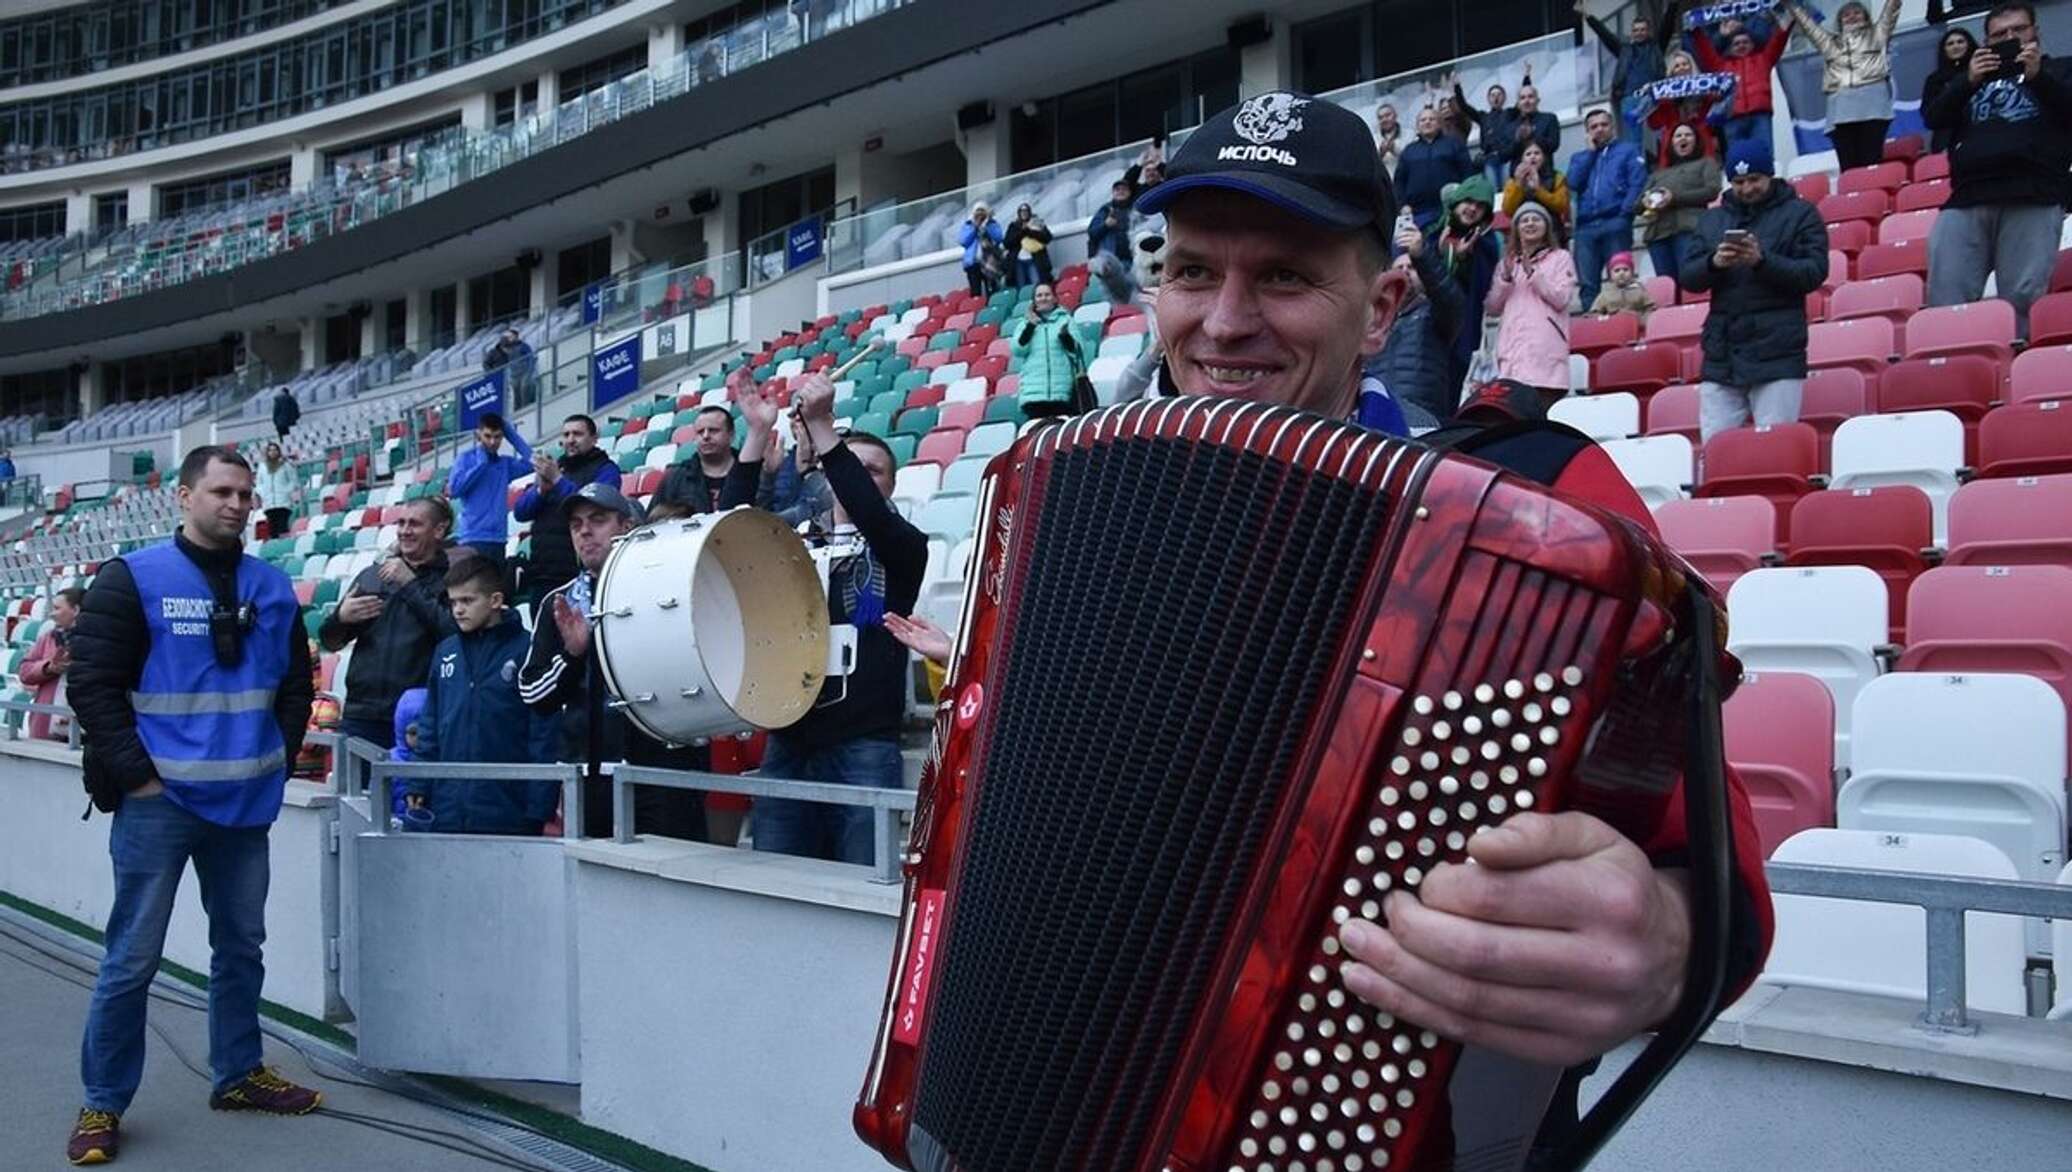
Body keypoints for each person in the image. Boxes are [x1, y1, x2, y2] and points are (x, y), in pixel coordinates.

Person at [1132, 92, 1773, 1093]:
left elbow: (1708, 851)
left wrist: (1670, 937)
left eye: (1285, 276)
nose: (1222, 320)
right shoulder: (1082, 511)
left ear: (1381, 308)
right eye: (1190, 271)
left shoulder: (1537, 502)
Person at [64, 445, 319, 1166]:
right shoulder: (131, 578)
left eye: (245, 493)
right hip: (160, 805)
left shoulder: (271, 586)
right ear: (184, 496)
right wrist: (140, 779)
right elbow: (93, 686)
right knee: (131, 959)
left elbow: (297, 685)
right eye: (221, 491)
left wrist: (278, 756)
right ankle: (102, 1102)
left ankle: (237, 1074)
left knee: (240, 948)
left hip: (245, 805)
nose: (236, 504)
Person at [721, 373, 927, 864]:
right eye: (853, 467)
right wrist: (755, 434)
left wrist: (822, 428)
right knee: (778, 884)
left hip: (864, 745)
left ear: (892, 483)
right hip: (789, 741)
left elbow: (872, 514)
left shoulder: (904, 545)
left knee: (861, 885)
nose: (858, 476)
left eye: (872, 470)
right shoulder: (794, 536)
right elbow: (726, 530)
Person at [518, 483, 708, 841]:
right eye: (576, 524)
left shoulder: (668, 586)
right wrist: (572, 656)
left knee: (669, 887)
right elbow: (533, 695)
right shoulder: (559, 603)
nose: (585, 531)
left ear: (625, 526)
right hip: (589, 781)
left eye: (598, 519)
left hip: (663, 770)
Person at [1923, 2, 2072, 342]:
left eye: (2019, 30)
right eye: (2000, 34)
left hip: (2034, 194)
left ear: (2036, 32)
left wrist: (2040, 79)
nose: (2010, 38)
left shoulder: (2060, 69)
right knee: (1946, 297)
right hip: (1966, 198)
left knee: (2021, 300)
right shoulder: (1971, 80)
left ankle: (2013, 369)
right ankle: (1953, 366)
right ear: (1987, 42)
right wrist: (1967, 81)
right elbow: (1935, 118)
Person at [1681, 139, 1831, 440]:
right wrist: (1714, 263)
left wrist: (1762, 262)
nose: (1747, 188)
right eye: (1738, 182)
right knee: (1715, 447)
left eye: (1754, 180)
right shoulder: (1712, 219)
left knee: (1775, 445)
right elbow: (1688, 276)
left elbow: (1813, 273)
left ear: (1770, 175)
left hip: (1778, 351)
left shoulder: (1801, 214)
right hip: (1722, 351)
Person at [404, 558, 560, 836]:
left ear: (495, 600)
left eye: (467, 600)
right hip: (447, 806)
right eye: (453, 603)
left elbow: (543, 732)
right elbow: (430, 726)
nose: (458, 610)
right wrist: (419, 782)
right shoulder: (445, 651)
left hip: (509, 807)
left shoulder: (529, 650)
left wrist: (540, 805)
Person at [317, 497, 455, 750]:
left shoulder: (452, 579)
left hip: (418, 714)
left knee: (410, 791)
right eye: (401, 523)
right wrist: (340, 619)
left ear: (438, 530)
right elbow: (330, 640)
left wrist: (411, 585)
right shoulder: (371, 576)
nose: (404, 531)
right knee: (355, 790)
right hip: (361, 714)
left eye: (414, 524)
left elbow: (453, 634)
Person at [1364, 215, 1467, 422]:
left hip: (1420, 416)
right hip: (1376, 413)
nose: (1405, 273)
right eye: (1399, 268)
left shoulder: (1435, 315)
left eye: (1411, 268)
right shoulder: (1372, 319)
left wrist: (1421, 256)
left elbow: (1451, 299)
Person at [513, 413, 622, 601]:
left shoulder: (606, 469)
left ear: (594, 438)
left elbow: (596, 504)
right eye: (566, 435)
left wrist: (557, 480)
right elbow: (521, 512)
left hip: (579, 572)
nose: (570, 440)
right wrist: (541, 490)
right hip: (542, 572)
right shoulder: (555, 467)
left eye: (577, 434)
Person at [1788, 0, 1905, 172]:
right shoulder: (1829, 43)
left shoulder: (1877, 35)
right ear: (1840, 21)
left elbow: (1891, 9)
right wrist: (1791, 5)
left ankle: (1872, 194)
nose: (1852, 17)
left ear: (1866, 17)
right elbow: (1807, 25)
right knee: (1848, 166)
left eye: (1857, 13)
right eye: (1846, 14)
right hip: (1841, 110)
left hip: (1873, 106)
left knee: (1871, 162)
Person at [1487, 201, 1580, 414]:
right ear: (1516, 228)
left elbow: (1562, 298)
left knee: (1542, 419)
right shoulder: (1507, 264)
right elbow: (1492, 307)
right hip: (1513, 356)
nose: (1530, 224)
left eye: (1536, 219)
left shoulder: (1561, 258)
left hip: (1545, 354)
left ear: (1547, 226)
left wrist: (1533, 275)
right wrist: (1505, 279)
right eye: (1524, 220)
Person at [1568, 107, 1649, 312]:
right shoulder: (1580, 157)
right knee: (1588, 285)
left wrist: (1625, 212)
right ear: (1587, 131)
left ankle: (1622, 327)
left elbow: (1637, 183)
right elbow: (1573, 182)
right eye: (1593, 127)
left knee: (1621, 281)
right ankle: (1594, 332)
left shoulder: (1628, 150)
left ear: (1612, 127)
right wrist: (1590, 153)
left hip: (1615, 221)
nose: (1599, 130)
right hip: (1585, 227)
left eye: (1604, 125)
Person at [1432, 175, 1504, 395]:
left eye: (1480, 206)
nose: (1472, 209)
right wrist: (1443, 253)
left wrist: (1462, 258)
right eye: (1469, 201)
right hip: (1428, 331)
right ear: (1457, 201)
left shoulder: (1486, 243)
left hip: (1462, 333)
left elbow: (1483, 287)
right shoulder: (1433, 234)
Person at [1578, 1, 1679, 146]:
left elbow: (1667, 25)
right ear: (1631, 33)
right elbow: (1604, 34)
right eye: (1636, 30)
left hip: (1654, 96)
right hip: (1630, 98)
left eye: (1643, 29)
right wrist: (1587, 16)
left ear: (1648, 31)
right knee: (1633, 140)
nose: (1639, 32)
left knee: (1663, 134)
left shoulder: (1656, 47)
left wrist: (1673, 4)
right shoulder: (1623, 50)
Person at [1692, 8, 1796, 145]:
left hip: (1760, 116)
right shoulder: (1721, 65)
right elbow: (1704, 49)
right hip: (1733, 118)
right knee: (1737, 161)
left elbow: (1780, 37)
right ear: (1730, 47)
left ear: (1752, 44)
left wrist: (1791, 15)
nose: (1741, 45)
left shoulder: (1764, 59)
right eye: (1736, 43)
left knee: (1764, 157)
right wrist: (1694, 29)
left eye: (1745, 42)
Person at [445, 412, 533, 571]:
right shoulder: (465, 459)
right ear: (478, 435)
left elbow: (532, 462)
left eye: (498, 437)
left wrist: (511, 433)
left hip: (498, 540)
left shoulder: (505, 464)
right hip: (472, 537)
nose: (492, 442)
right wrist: (480, 464)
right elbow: (454, 491)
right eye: (488, 436)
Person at [1643, 123, 1725, 291]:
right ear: (1671, 142)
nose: (1683, 138)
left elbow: (1712, 191)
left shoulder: (1706, 163)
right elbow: (1638, 202)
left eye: (1688, 135)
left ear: (1696, 140)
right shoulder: (1658, 174)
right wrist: (1646, 201)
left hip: (1689, 229)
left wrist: (1674, 198)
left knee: (1690, 282)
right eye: (1678, 135)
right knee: (1668, 288)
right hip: (1658, 234)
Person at [1635, 50, 1733, 168]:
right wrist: (1652, 100)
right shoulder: (1663, 94)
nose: (1682, 68)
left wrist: (1716, 96)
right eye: (1677, 66)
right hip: (1672, 142)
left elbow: (1716, 116)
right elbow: (1654, 124)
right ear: (1672, 71)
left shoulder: (1707, 89)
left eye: (1685, 64)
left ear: (1692, 67)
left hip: (1701, 139)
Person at [656, 398, 755, 513]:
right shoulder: (675, 479)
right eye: (700, 432)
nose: (706, 436)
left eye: (713, 430)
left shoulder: (751, 472)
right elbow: (654, 521)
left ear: (731, 435)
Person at [1010, 282, 1085, 419]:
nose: (1043, 298)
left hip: (1061, 394)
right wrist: (1030, 327)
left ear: (1055, 298)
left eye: (1047, 294)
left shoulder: (1066, 320)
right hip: (1033, 396)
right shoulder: (1024, 323)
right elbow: (1017, 350)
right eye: (1039, 295)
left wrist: (1066, 337)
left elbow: (1079, 352)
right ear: (1034, 300)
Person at [18, 586, 82, 741]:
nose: (52, 614)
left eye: (57, 608)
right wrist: (48, 668)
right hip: (46, 726)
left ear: (76, 610)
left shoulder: (97, 641)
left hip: (83, 730)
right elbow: (24, 672)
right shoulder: (48, 638)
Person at [1397, 107, 1475, 233]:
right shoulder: (1408, 151)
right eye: (1423, 120)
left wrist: (1465, 200)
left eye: (1432, 119)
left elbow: (1468, 173)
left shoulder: (1454, 144)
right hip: (1418, 212)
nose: (1427, 122)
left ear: (1439, 124)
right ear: (1417, 126)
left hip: (1450, 209)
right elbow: (1399, 182)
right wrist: (1402, 205)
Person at [1921, 24, 1981, 154]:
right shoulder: (1934, 80)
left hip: (1981, 131)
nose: (1955, 46)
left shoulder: (1983, 70)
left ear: (1969, 44)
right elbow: (1929, 116)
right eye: (1950, 43)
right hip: (1947, 140)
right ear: (1944, 49)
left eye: (1960, 41)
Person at [1452, 79, 1518, 192]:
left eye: (1499, 94)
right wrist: (1457, 86)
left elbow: (1521, 102)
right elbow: (1464, 107)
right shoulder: (1483, 117)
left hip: (1506, 158)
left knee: (1508, 191)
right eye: (1492, 95)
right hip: (1490, 160)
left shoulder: (1510, 114)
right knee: (1493, 191)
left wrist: (1527, 77)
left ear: (1504, 98)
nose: (1496, 97)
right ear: (1488, 99)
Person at [1500, 141, 1572, 225]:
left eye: (1537, 153)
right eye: (1528, 154)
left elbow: (1562, 206)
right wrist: (1518, 185)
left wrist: (1539, 190)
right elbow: (1508, 210)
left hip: (1552, 228)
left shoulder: (1557, 177)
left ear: (1544, 157)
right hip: (1523, 228)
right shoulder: (1512, 181)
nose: (1532, 157)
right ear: (1522, 159)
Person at [1505, 84, 1563, 172]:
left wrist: (1533, 135)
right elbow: (1504, 155)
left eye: (1530, 97)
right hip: (1518, 178)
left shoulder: (1549, 118)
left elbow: (1554, 145)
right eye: (1522, 98)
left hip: (1544, 176)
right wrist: (1517, 140)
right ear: (1518, 103)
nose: (1526, 101)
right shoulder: (1511, 126)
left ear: (1537, 100)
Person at [1589, 251, 1659, 319]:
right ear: (1610, 276)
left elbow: (1651, 308)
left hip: (1637, 325)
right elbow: (1594, 313)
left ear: (1632, 273)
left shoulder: (1639, 290)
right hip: (1614, 326)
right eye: (1617, 270)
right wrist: (1607, 319)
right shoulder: (1605, 294)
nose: (1621, 273)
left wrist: (1643, 319)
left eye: (1625, 270)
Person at [956, 202, 1005, 297]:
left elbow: (998, 238)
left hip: (990, 262)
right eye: (977, 211)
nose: (979, 213)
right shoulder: (968, 225)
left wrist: (987, 225)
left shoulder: (992, 223)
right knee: (975, 291)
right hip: (973, 263)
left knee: (992, 290)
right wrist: (975, 227)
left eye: (982, 211)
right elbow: (963, 241)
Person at [253, 441, 298, 541]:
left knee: (283, 529)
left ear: (278, 451)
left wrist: (286, 491)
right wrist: (263, 493)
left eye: (275, 450)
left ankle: (284, 547)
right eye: (270, 450)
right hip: (269, 504)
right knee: (273, 531)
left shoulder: (285, 465)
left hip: (283, 503)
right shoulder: (262, 467)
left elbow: (293, 480)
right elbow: (259, 483)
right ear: (267, 453)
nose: (273, 452)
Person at [1002, 203, 1054, 288]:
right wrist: (1022, 232)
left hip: (1035, 260)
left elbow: (1047, 237)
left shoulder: (1037, 223)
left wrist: (1030, 232)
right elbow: (1007, 243)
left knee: (1036, 284)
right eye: (1022, 211)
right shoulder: (1013, 226)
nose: (1024, 213)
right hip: (1018, 261)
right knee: (1021, 286)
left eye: (1026, 211)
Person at [1087, 181, 1137, 265]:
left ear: (1129, 193)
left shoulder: (1136, 209)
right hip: (1112, 262)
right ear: (1113, 193)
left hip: (1135, 259)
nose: (1121, 191)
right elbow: (1092, 233)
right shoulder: (1105, 210)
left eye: (1124, 189)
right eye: (1117, 189)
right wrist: (1105, 225)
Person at [1373, 103, 1404, 178]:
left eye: (1387, 115)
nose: (1384, 119)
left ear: (1395, 115)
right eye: (1380, 118)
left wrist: (1394, 149)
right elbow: (1370, 164)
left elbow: (1413, 158)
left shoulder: (1410, 134)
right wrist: (1381, 153)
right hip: (1384, 183)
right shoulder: (1374, 138)